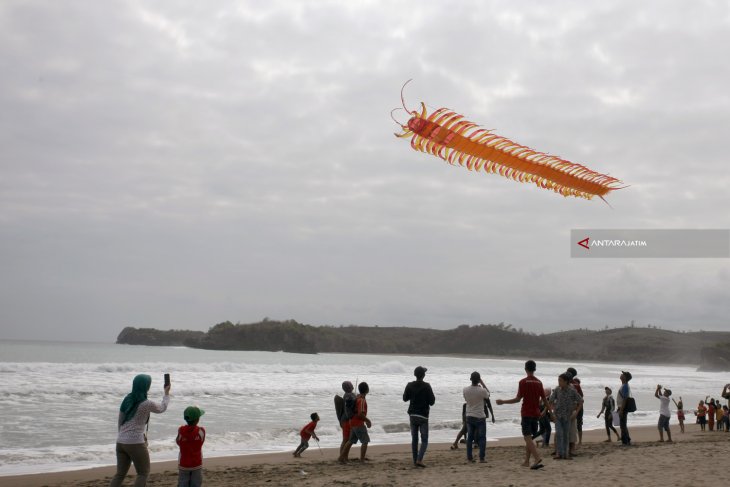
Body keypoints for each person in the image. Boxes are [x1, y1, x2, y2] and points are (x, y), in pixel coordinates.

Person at [110, 374, 171, 487]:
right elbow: (162, 408)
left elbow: (120, 420)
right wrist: (166, 393)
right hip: (135, 443)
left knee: (120, 474)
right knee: (143, 473)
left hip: (120, 442)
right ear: (146, 386)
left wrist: (122, 436)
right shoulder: (146, 404)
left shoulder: (127, 399)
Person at [496, 360, 548, 470]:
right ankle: (527, 461)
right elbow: (545, 400)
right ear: (534, 369)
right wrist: (550, 413)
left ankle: (537, 458)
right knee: (529, 438)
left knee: (527, 437)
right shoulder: (539, 382)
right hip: (536, 413)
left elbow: (517, 399)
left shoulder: (523, 382)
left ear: (525, 369)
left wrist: (503, 401)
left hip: (526, 413)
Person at [403, 366, 436, 467]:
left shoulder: (409, 385)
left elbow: (405, 398)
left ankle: (415, 460)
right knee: (424, 440)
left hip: (412, 414)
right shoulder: (427, 386)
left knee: (414, 439)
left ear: (415, 375)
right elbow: (432, 402)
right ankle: (419, 459)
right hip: (423, 415)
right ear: (424, 375)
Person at [549, 373, 583, 460]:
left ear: (566, 381)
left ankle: (565, 454)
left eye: (560, 380)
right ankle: (558, 454)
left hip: (567, 416)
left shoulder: (572, 390)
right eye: (558, 380)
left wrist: (576, 413)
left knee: (566, 435)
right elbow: (551, 400)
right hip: (558, 416)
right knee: (559, 434)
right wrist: (552, 412)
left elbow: (581, 401)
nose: (559, 382)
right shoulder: (557, 389)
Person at [339, 382, 372, 463]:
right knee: (365, 441)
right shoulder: (361, 400)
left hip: (352, 422)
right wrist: (368, 421)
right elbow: (360, 413)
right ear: (367, 390)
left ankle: (341, 457)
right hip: (358, 423)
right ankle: (362, 459)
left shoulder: (356, 397)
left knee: (350, 441)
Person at [462, 371, 490, 463]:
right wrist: (482, 383)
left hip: (469, 415)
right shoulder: (482, 390)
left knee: (470, 437)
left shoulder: (465, 390)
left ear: (470, 379)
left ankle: (469, 457)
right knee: (482, 438)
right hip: (480, 416)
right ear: (478, 380)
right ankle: (481, 458)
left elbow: (466, 400)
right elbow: (488, 394)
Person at [176, 406, 206, 487]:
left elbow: (178, 442)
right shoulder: (201, 431)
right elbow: (201, 441)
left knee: (183, 483)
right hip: (196, 464)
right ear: (197, 419)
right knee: (196, 484)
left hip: (183, 464)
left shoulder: (181, 431)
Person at [566, 367, 584, 453]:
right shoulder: (576, 384)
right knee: (579, 423)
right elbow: (581, 396)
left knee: (572, 424)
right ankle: (579, 441)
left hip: (573, 407)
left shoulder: (569, 384)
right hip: (579, 407)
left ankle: (571, 442)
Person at [339, 381, 357, 458]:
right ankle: (343, 457)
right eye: (350, 384)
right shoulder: (348, 395)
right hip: (347, 420)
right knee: (346, 439)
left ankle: (344, 456)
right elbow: (350, 406)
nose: (352, 385)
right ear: (348, 387)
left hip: (346, 419)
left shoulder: (348, 395)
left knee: (347, 439)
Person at [616, 371, 632, 446]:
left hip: (623, 408)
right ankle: (627, 440)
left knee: (623, 425)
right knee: (623, 425)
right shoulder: (624, 385)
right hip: (621, 407)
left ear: (625, 377)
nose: (621, 375)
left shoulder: (625, 386)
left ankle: (625, 442)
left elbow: (625, 399)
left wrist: (621, 410)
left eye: (623, 374)